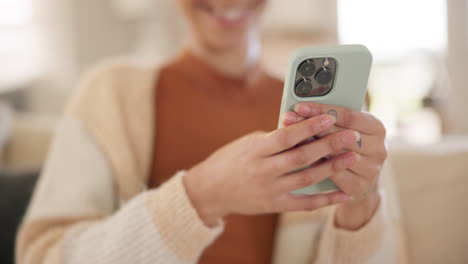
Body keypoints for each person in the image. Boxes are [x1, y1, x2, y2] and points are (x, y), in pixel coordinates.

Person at [16, 0, 406, 263]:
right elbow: (43, 255)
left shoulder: (336, 115)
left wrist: (361, 205)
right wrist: (199, 197)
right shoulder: (109, 93)